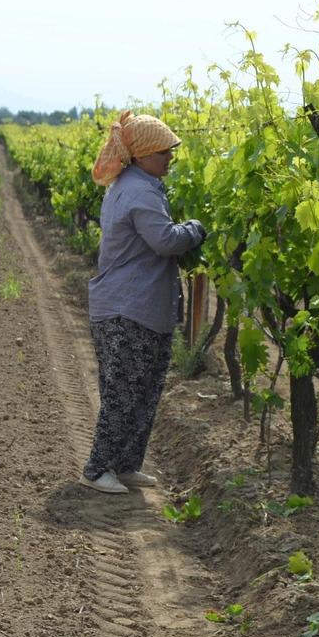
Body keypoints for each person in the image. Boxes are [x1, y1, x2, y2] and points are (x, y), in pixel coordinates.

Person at [81, 111, 205, 494]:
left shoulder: (135, 184)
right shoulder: (138, 190)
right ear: (144, 154)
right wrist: (195, 229)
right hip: (128, 308)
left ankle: (126, 464)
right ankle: (99, 468)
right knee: (124, 392)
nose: (170, 158)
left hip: (136, 306)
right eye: (165, 152)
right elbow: (165, 240)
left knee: (144, 390)